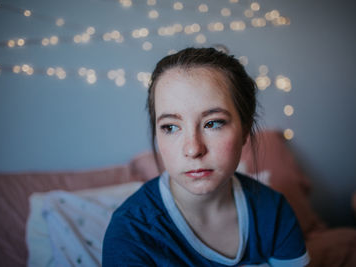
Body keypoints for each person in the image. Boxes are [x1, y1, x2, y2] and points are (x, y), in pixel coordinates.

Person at [103, 47, 310, 266]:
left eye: (213, 123)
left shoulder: (273, 210)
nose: (193, 149)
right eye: (171, 127)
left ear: (245, 130)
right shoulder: (130, 232)